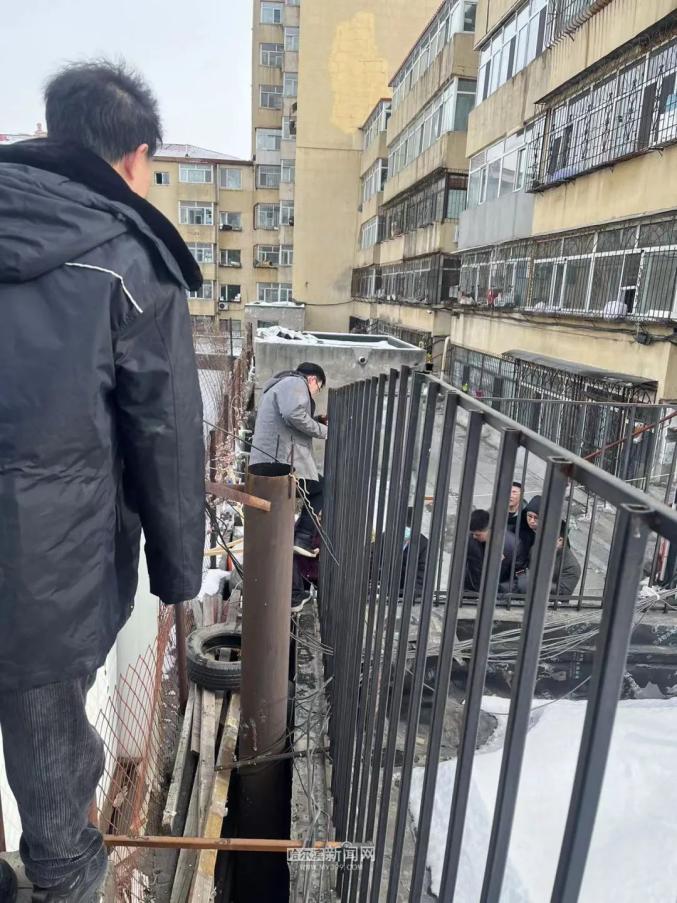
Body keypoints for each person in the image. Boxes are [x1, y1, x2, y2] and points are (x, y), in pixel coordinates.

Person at [0, 62, 205, 902]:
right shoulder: (131, 260)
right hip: (49, 582)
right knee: (56, 802)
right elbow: (167, 435)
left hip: (46, 571)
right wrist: (178, 574)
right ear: (134, 157)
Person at [249, 362, 327, 555]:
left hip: (266, 461)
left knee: (310, 490)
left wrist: (316, 420)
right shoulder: (296, 382)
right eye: (318, 388)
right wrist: (325, 431)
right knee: (322, 488)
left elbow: (286, 418)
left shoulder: (278, 385)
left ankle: (287, 543)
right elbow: (293, 414)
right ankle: (302, 538)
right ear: (312, 379)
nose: (314, 394)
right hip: (279, 462)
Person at [515, 521, 582, 601]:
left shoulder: (571, 566)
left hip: (550, 602)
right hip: (527, 592)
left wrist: (534, 583)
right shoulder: (536, 548)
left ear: (560, 540)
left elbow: (563, 592)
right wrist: (522, 576)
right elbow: (525, 567)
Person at [464, 509, 516, 593]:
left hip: (496, 592)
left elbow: (517, 575)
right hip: (471, 591)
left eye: (478, 534)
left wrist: (501, 589)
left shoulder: (510, 545)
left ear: (490, 530)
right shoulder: (470, 541)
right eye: (473, 533)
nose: (474, 536)